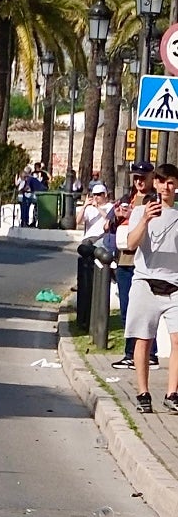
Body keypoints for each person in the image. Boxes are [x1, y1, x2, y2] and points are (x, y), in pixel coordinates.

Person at [120, 164, 178, 413]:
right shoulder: (140, 211)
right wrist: (145, 219)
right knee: (143, 339)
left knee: (177, 339)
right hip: (145, 282)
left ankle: (172, 393)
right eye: (162, 181)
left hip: (174, 284)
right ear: (155, 183)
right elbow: (131, 245)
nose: (166, 187)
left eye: (171, 182)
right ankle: (143, 393)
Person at [115, 162, 157, 370]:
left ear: (151, 178)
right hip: (124, 260)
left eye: (143, 177)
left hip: (143, 263)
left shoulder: (154, 201)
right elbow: (110, 227)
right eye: (136, 178)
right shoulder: (126, 199)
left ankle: (151, 354)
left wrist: (135, 216)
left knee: (146, 312)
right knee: (126, 310)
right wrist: (116, 217)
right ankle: (129, 353)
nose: (139, 181)